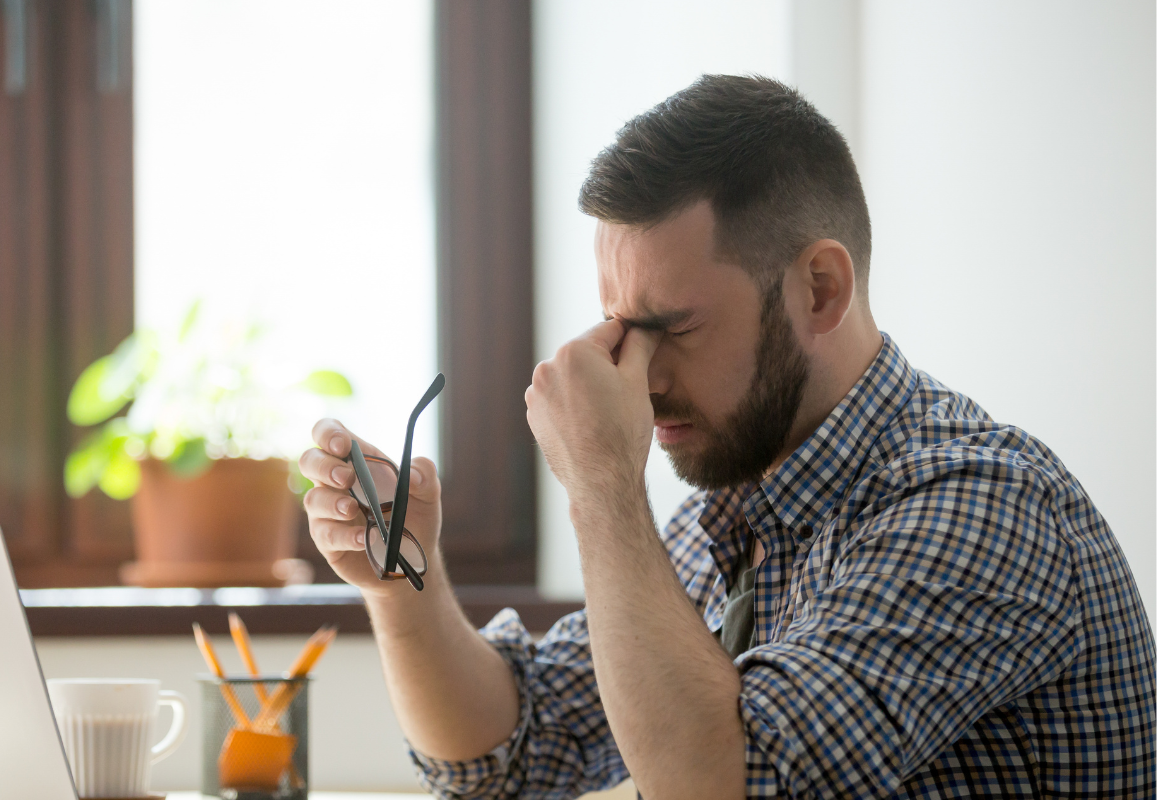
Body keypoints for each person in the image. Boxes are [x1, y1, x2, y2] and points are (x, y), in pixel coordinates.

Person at [299, 75, 1155, 798]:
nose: (640, 377)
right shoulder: (738, 509)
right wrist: (401, 584)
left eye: (673, 327)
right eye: (620, 331)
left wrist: (602, 481)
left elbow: (729, 781)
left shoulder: (981, 505)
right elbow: (514, 749)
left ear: (820, 290)